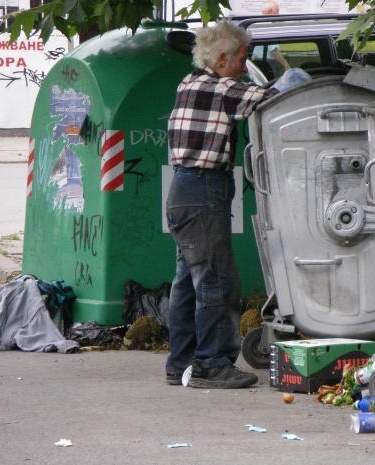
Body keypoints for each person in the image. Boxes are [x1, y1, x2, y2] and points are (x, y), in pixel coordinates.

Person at [165, 20, 278, 389]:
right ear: (224, 58)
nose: (245, 67)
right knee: (217, 281)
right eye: (243, 60)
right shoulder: (222, 89)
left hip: (183, 190)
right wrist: (296, 79)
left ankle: (180, 363)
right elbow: (270, 98)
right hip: (202, 190)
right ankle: (212, 364)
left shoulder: (189, 82)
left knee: (188, 282)